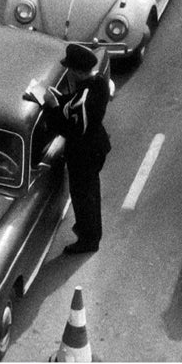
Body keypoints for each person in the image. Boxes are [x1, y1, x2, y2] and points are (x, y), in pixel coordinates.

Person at [45, 43, 113, 254]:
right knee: (90, 194)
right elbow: (77, 101)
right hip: (95, 148)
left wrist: (52, 106)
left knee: (84, 198)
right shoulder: (98, 83)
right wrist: (62, 99)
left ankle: (88, 240)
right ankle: (90, 233)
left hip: (84, 154)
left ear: (75, 71)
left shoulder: (84, 97)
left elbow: (70, 128)